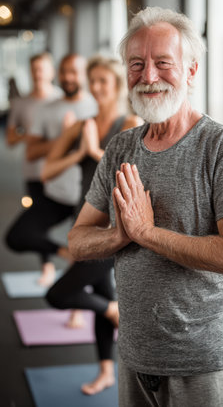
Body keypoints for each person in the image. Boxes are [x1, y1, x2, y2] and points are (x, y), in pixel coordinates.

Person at [67, 6, 223, 407]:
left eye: (163, 63)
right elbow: (77, 242)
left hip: (202, 364)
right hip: (134, 356)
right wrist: (121, 234)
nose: (148, 76)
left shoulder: (217, 148)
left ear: (190, 71)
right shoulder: (121, 147)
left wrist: (146, 234)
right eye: (136, 64)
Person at [43, 55, 142, 395]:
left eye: (105, 81)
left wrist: (92, 151)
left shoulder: (129, 122)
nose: (97, 87)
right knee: (101, 294)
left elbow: (129, 176)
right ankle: (105, 371)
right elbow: (47, 171)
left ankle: (112, 312)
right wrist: (79, 150)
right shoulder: (80, 124)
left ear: (116, 86)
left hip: (113, 233)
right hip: (83, 225)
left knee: (58, 294)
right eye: (93, 80)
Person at [5, 53, 97, 286]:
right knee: (17, 236)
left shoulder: (96, 106)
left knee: (94, 266)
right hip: (54, 192)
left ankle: (87, 309)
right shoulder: (44, 108)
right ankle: (60, 257)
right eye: (64, 71)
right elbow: (30, 151)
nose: (68, 77)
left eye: (74, 72)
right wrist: (64, 139)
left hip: (89, 198)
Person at [6, 52, 61, 204]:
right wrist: (31, 135)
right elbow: (10, 139)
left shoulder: (62, 100)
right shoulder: (21, 103)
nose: (38, 74)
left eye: (41, 69)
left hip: (60, 169)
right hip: (33, 170)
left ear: (51, 71)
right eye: (34, 69)